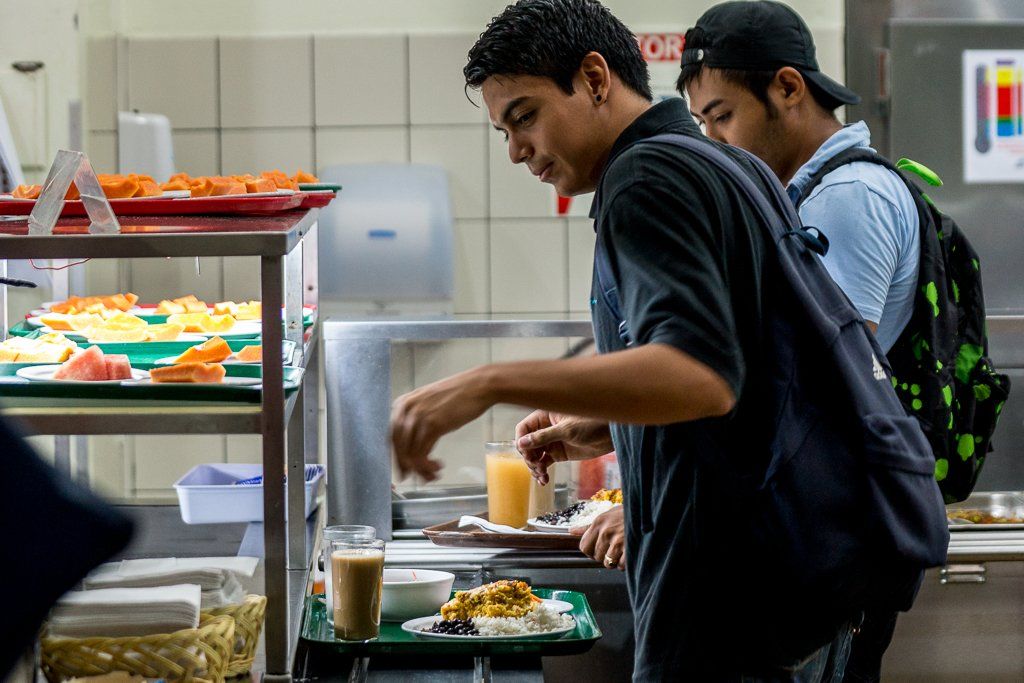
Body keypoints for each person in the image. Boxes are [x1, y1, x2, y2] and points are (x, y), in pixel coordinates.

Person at [389, 0, 858, 678]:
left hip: (716, 599)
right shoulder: (727, 164)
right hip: (776, 581)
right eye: (504, 130)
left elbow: (700, 374)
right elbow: (746, 372)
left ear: (595, 77)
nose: (517, 149)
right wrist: (608, 423)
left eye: (524, 116)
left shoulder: (646, 179)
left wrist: (485, 382)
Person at [676, 4, 921, 681]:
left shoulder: (847, 198)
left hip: (833, 551)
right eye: (703, 124)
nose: (716, 140)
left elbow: (812, 383)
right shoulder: (800, 198)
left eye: (722, 115)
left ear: (788, 87)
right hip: (816, 541)